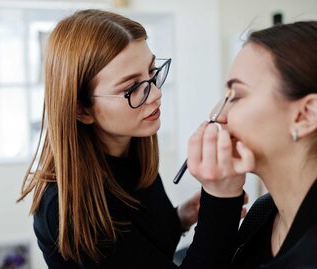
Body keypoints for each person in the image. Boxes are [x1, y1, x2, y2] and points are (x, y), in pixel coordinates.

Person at [18, 9, 246, 269]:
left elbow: (144, 247)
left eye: (151, 72)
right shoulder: (66, 207)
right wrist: (220, 200)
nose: (156, 93)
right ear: (81, 110)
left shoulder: (131, 151)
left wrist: (180, 218)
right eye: (131, 88)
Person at [188, 20, 317, 268]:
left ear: (305, 115)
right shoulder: (263, 211)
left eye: (236, 96)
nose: (217, 115)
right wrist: (219, 197)